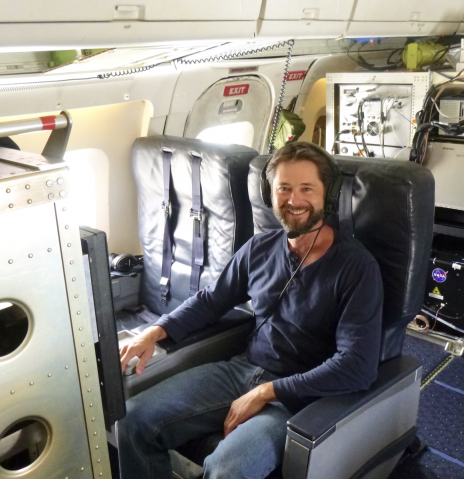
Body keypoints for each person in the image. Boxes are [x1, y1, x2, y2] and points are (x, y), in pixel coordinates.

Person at [117, 142, 383, 479]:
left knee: (227, 470)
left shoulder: (357, 268)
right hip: (241, 372)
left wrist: (267, 392)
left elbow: (357, 366)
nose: (294, 200)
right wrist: (155, 331)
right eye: (283, 188)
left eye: (306, 189)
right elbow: (211, 300)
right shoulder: (259, 247)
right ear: (270, 194)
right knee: (133, 420)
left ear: (327, 197)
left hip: (299, 397)